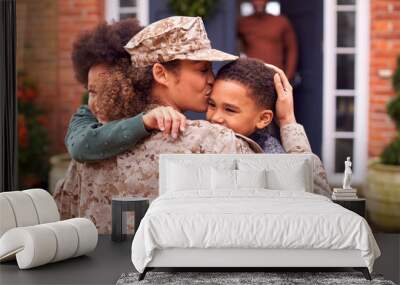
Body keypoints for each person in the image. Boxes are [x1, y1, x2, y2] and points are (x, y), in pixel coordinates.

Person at [54, 17, 325, 233]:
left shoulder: (91, 145)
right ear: (161, 73)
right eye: (201, 69)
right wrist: (288, 121)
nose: (211, 79)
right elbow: (311, 196)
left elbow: (64, 214)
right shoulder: (216, 142)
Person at [237, 0, 298, 81]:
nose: (258, 2)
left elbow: (292, 50)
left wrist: (288, 77)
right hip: (251, 77)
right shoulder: (243, 24)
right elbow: (230, 45)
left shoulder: (281, 22)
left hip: (275, 76)